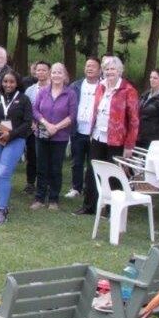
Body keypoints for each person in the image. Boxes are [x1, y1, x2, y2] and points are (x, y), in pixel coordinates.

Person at [77, 55, 140, 216]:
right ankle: (89, 205)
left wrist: (129, 146)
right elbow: (96, 111)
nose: (109, 72)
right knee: (92, 171)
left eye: (113, 69)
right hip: (98, 135)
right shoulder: (101, 87)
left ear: (119, 71)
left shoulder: (128, 90)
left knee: (114, 173)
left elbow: (134, 121)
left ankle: (113, 209)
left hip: (117, 140)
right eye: (106, 69)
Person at [0, 71, 33, 224]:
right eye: (5, 81)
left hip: (15, 140)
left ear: (17, 83)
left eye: (11, 82)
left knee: (4, 172)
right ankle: (0, 205)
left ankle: (2, 208)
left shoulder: (24, 100)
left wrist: (10, 135)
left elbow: (27, 123)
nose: (8, 85)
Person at [31, 63, 77, 210]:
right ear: (50, 75)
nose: (56, 75)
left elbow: (72, 115)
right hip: (42, 135)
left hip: (60, 137)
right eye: (54, 72)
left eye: (59, 72)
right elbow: (35, 110)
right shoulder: (43, 91)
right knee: (41, 167)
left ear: (65, 76)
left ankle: (53, 199)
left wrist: (56, 127)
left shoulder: (70, 94)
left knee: (56, 168)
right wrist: (46, 124)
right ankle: (39, 198)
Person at [67, 56, 101, 199]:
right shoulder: (76, 86)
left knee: (92, 163)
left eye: (93, 66)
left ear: (100, 70)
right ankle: (76, 188)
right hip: (78, 130)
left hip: (96, 132)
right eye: (87, 66)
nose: (89, 68)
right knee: (77, 161)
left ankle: (91, 189)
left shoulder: (103, 87)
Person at [21, 61, 51, 196]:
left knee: (47, 157)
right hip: (32, 128)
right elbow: (26, 108)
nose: (40, 73)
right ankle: (30, 183)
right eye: (38, 70)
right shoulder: (30, 90)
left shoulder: (54, 88)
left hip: (50, 128)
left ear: (49, 72)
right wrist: (32, 123)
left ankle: (46, 183)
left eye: (44, 70)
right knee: (32, 156)